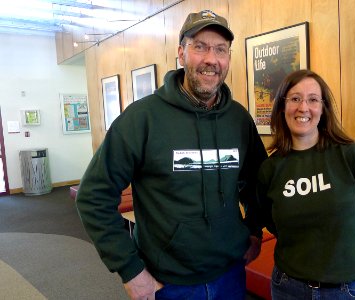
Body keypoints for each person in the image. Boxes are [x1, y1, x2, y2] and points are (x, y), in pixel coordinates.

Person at [76, 10, 267, 300]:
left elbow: (258, 183)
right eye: (200, 46)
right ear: (181, 53)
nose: (211, 59)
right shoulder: (142, 119)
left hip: (230, 275)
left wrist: (254, 229)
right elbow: (93, 196)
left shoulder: (239, 120)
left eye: (220, 49)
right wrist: (130, 270)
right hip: (167, 283)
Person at [257, 70, 355, 299]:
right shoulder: (270, 169)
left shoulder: (352, 155)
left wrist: (354, 255)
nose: (304, 107)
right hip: (289, 288)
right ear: (282, 107)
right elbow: (271, 222)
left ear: (323, 108)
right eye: (295, 98)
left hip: (351, 289)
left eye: (313, 99)